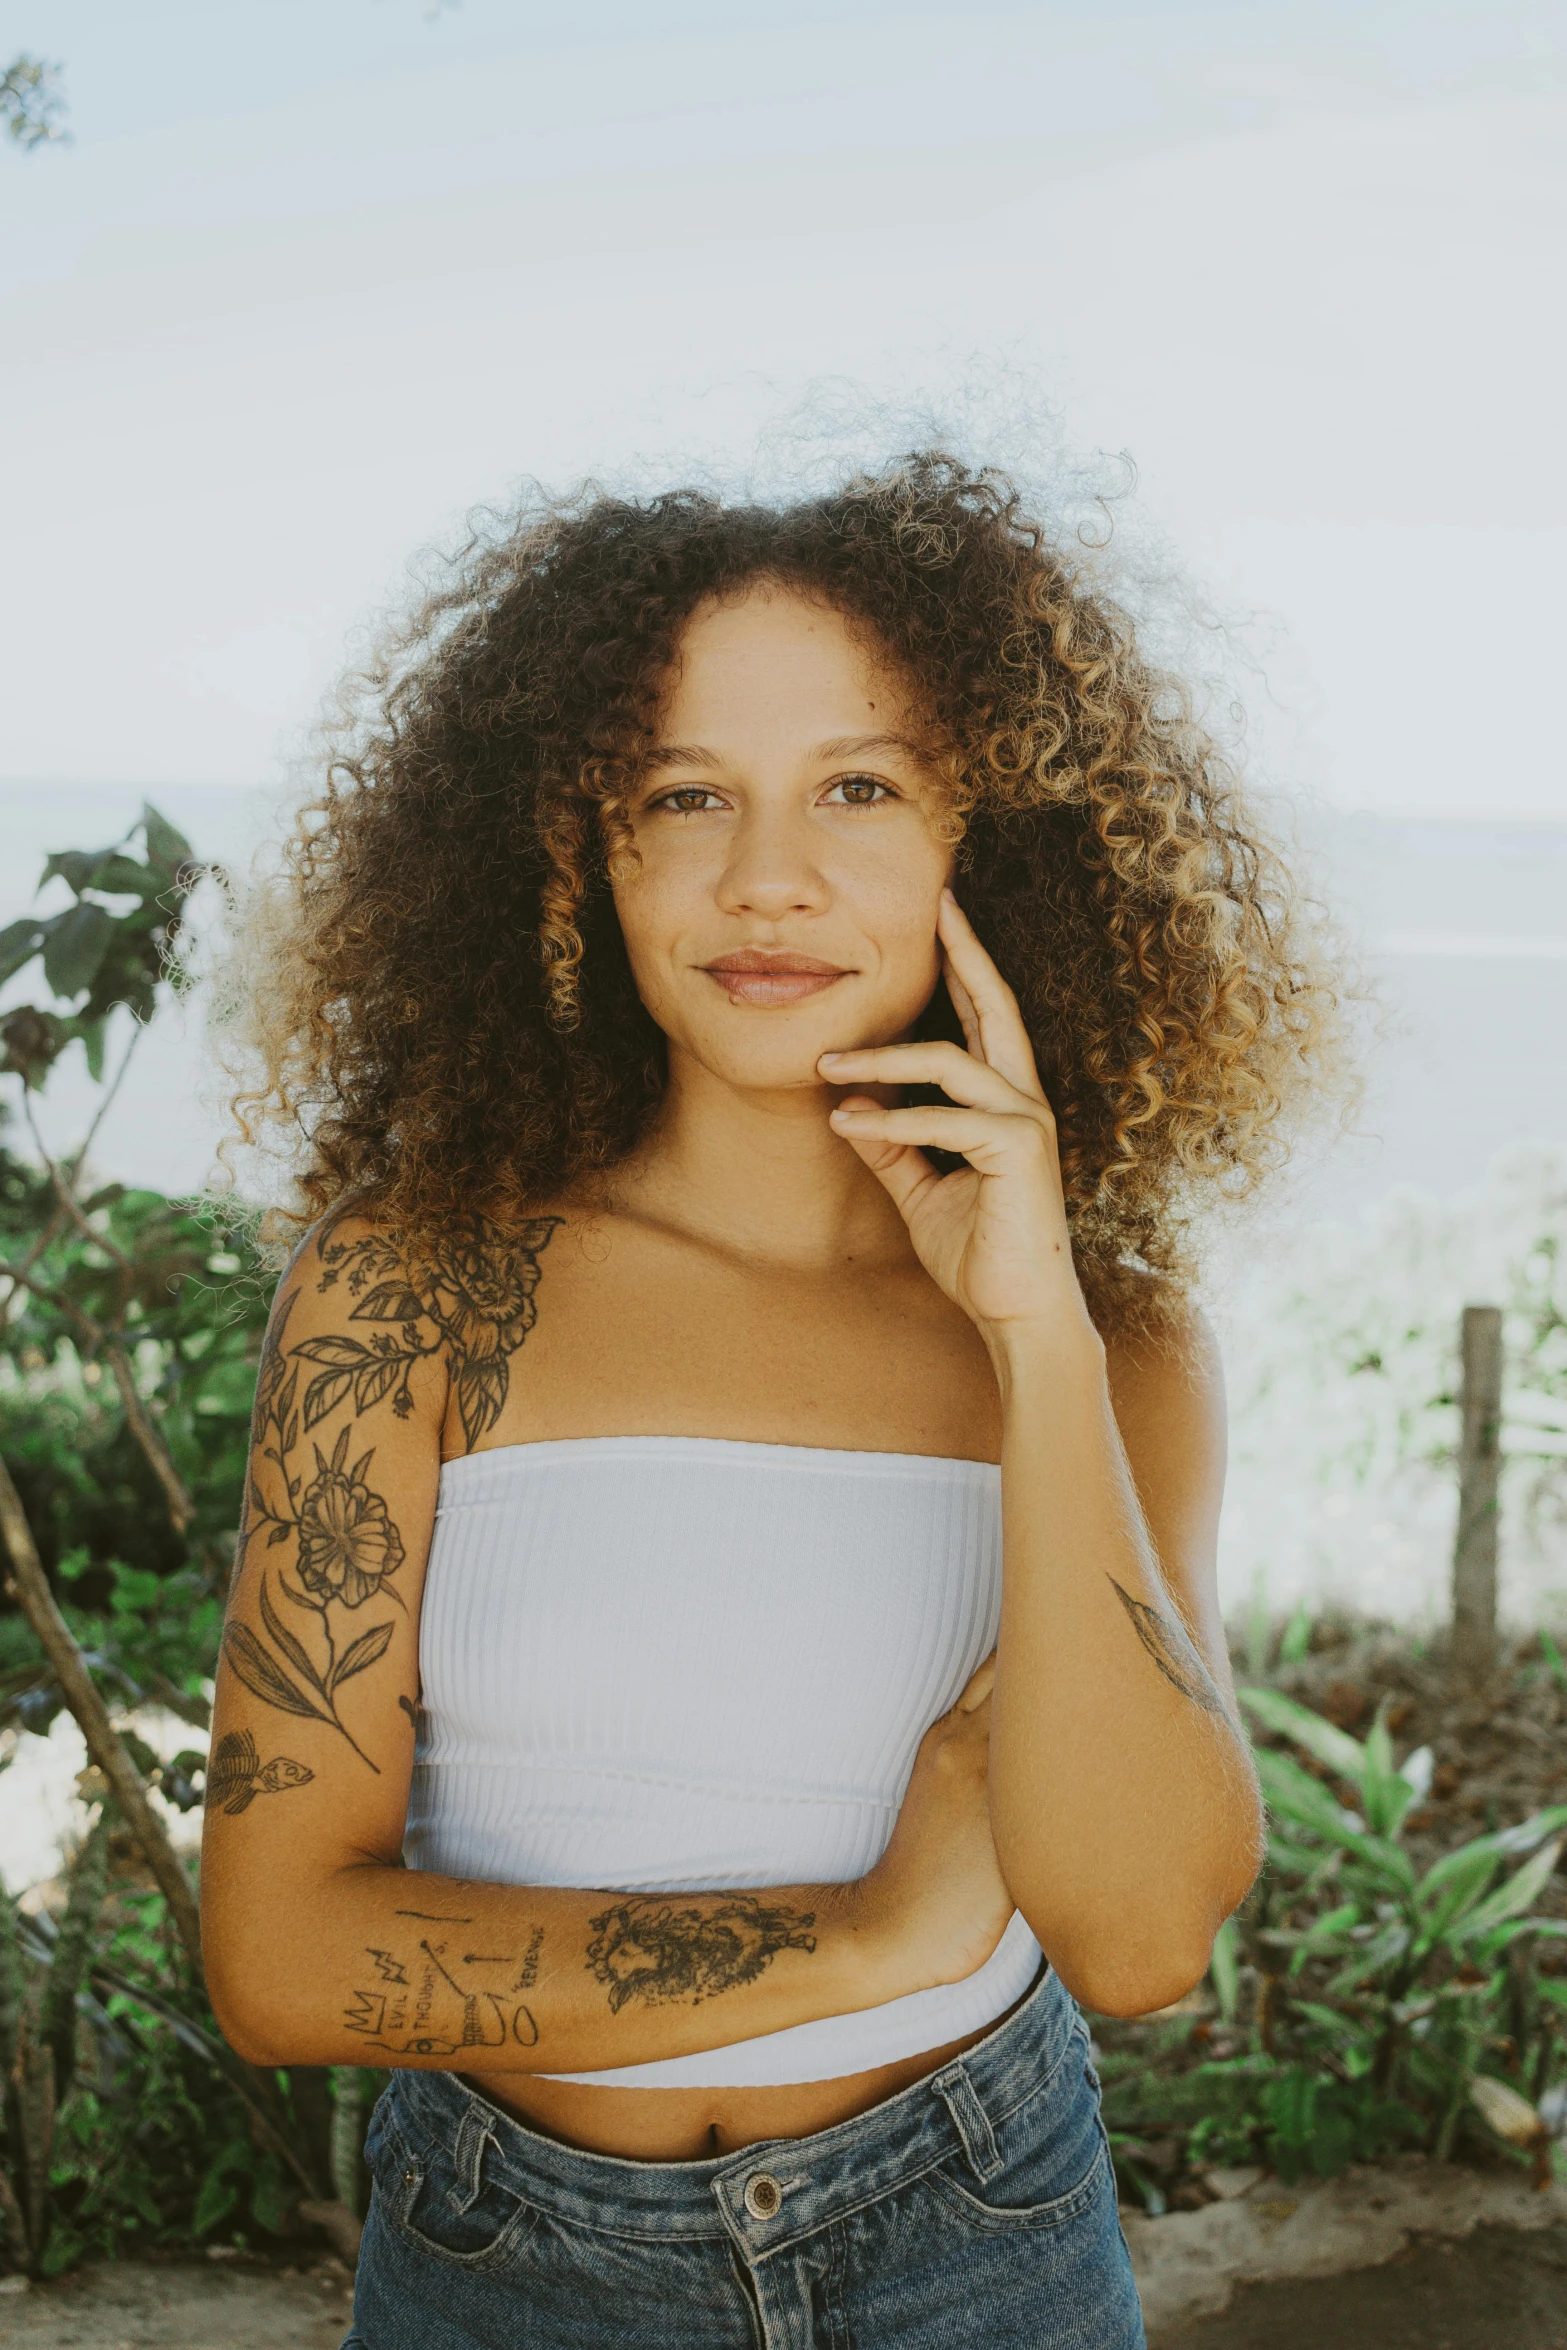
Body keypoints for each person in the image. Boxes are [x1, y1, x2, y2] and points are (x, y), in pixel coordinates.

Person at [200, 454, 1336, 2349]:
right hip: (507, 2264)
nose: (768, 878)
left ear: (991, 837)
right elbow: (281, 1955)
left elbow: (1139, 1935)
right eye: (683, 795)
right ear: (578, 849)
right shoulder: (409, 1290)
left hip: (978, 2240)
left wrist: (1031, 1328)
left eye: (860, 786)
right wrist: (877, 1933)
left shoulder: (1109, 1339)